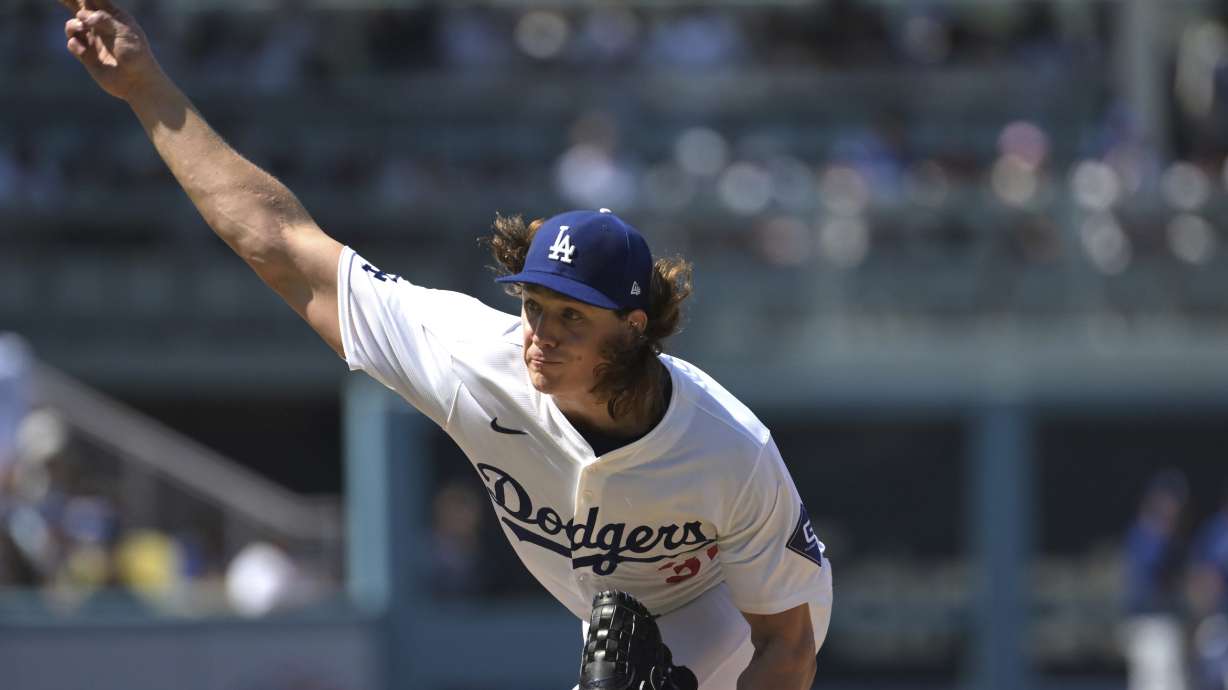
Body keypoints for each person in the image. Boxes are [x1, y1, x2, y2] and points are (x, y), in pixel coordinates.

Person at [58, 2, 832, 687]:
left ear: (633, 329)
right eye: (535, 305)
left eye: (574, 319)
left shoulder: (727, 446)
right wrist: (146, 88)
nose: (541, 335)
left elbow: (789, 649)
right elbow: (283, 245)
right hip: (616, 616)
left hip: (735, 610)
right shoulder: (474, 356)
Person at [1121, 469, 1191, 690]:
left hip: (1161, 624)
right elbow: (1158, 574)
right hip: (1150, 624)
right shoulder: (1147, 534)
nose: (1175, 508)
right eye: (1171, 500)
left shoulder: (1159, 535)